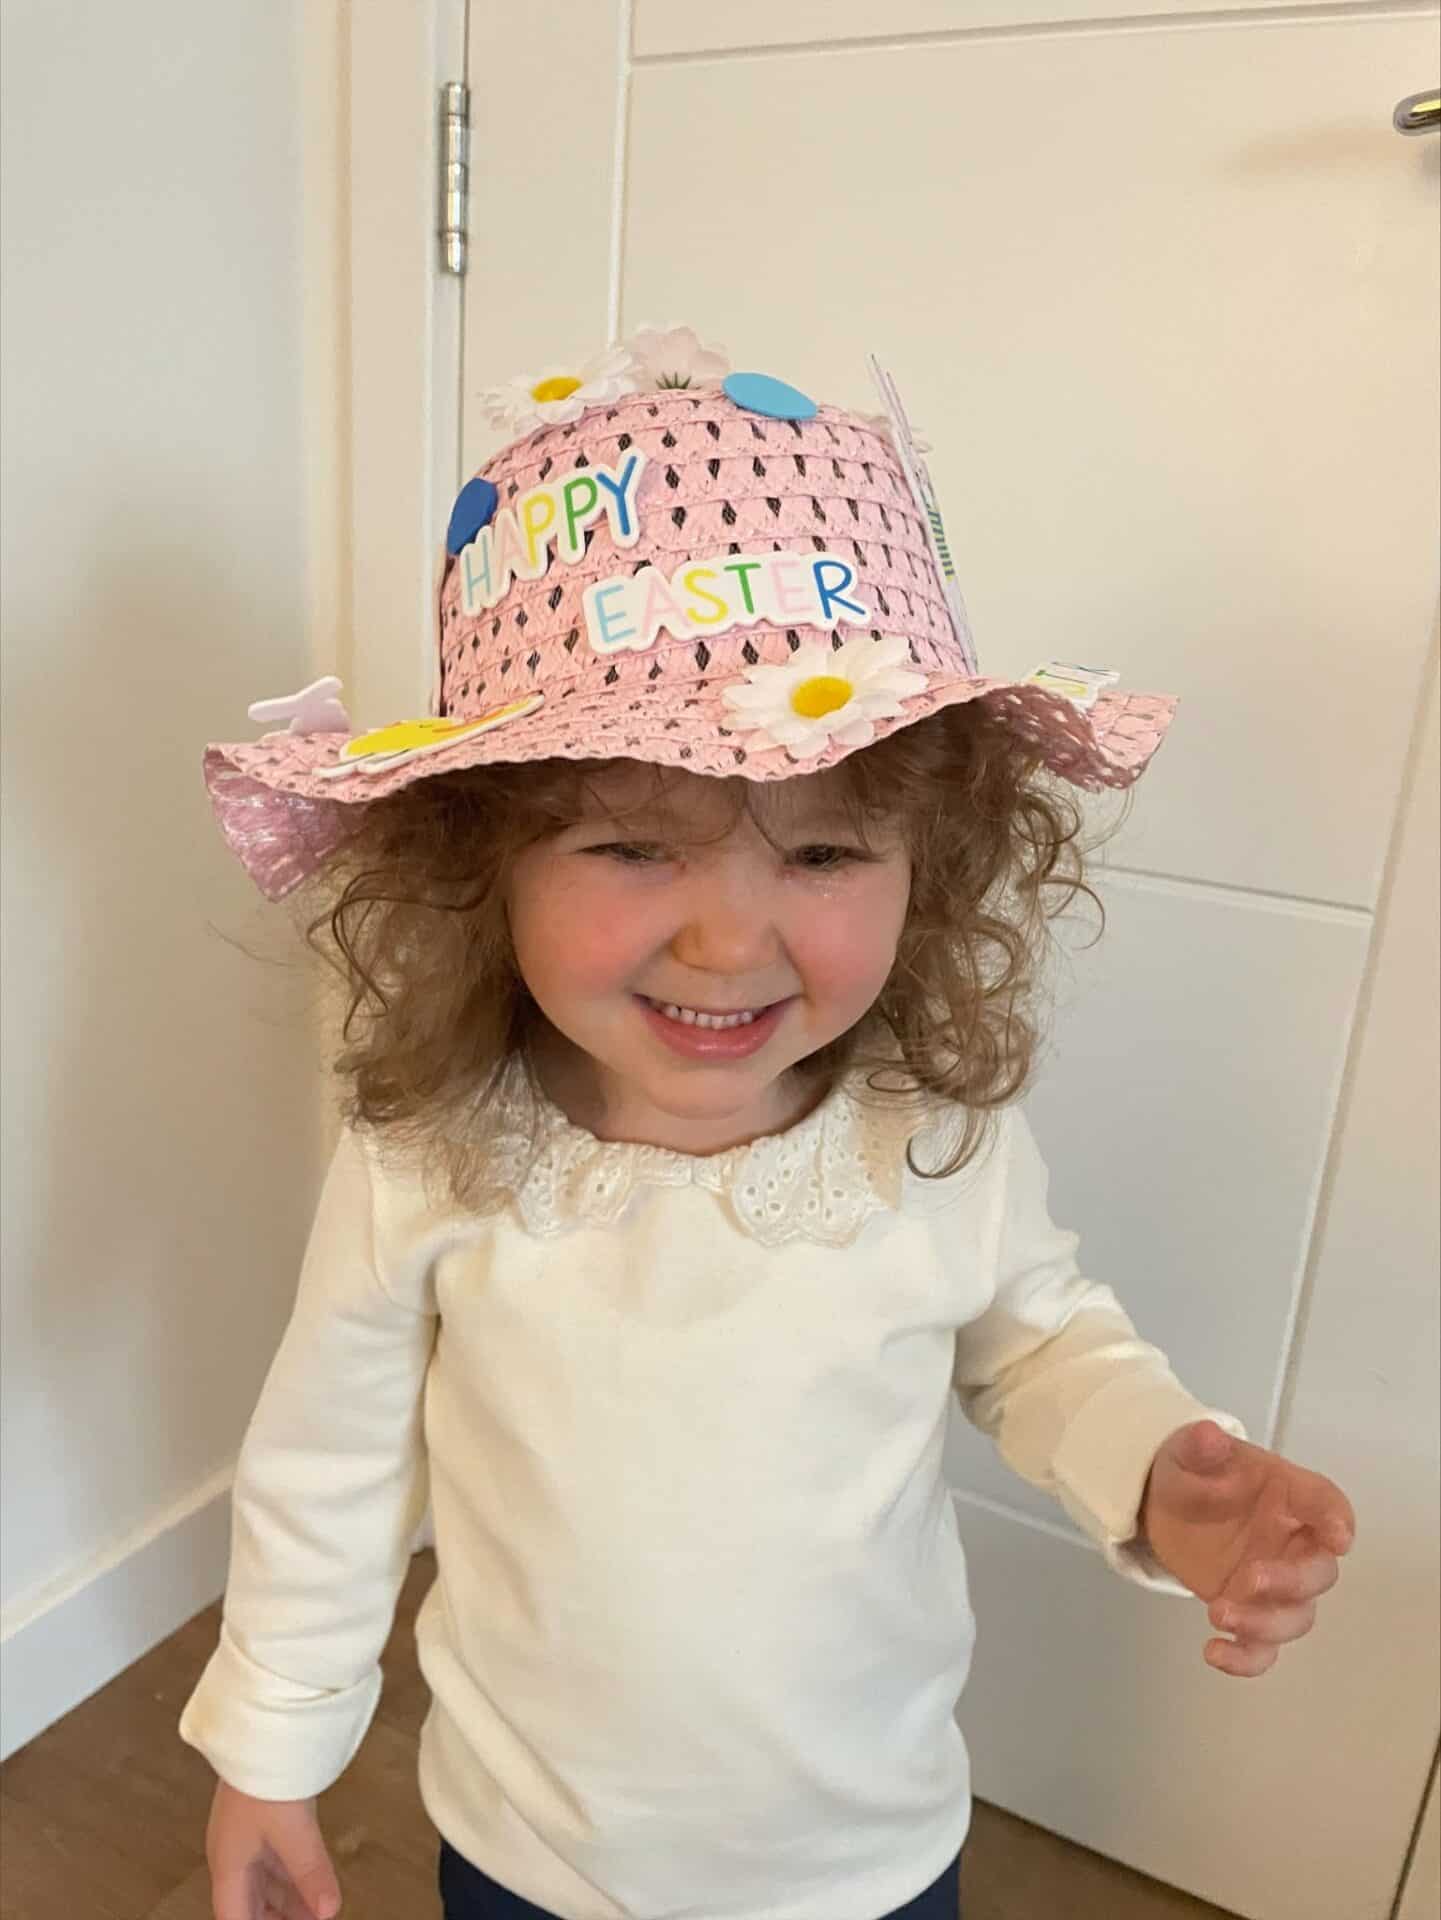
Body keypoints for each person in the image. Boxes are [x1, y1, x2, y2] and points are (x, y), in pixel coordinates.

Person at [180, 328, 1356, 1920]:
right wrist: (273, 1752)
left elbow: (1031, 1345)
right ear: (482, 866)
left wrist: (1154, 1469)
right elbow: (328, 1468)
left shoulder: (921, 1139)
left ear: (926, 865)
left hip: (862, 1856)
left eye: (820, 857)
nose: (730, 945)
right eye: (627, 847)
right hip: (529, 1846)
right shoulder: (434, 1157)